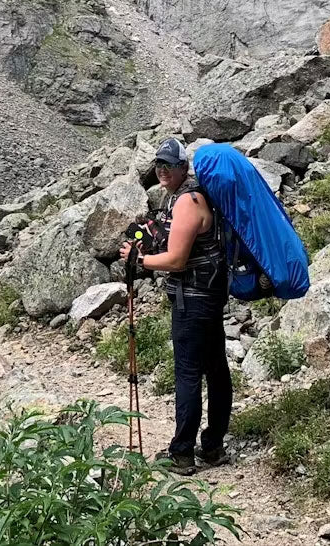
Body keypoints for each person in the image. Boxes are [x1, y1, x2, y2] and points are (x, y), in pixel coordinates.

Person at [119, 137, 231, 474]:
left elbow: (178, 260)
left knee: (187, 374)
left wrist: (140, 259)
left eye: (170, 164)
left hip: (192, 299)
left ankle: (182, 452)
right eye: (159, 165)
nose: (163, 170)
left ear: (184, 167)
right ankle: (212, 446)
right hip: (209, 297)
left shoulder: (186, 201)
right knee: (216, 370)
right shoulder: (198, 195)